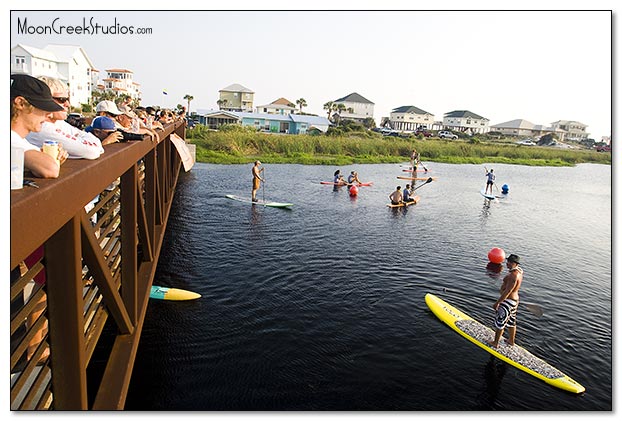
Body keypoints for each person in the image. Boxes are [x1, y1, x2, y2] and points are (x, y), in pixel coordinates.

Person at [26, 76, 105, 160]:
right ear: (44, 101)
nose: (68, 104)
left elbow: (94, 146)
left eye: (68, 99)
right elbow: (91, 151)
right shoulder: (42, 129)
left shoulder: (58, 123)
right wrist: (86, 140)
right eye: (62, 100)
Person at [11, 74, 68, 179]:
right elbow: (50, 169)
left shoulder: (19, 140)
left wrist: (51, 157)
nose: (49, 114)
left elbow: (40, 169)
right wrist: (50, 161)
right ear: (20, 103)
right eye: (43, 107)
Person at [487, 254, 523, 348]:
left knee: (500, 322)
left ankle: (495, 343)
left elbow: (508, 291)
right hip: (514, 301)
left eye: (510, 262)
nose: (508, 263)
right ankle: (511, 341)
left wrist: (497, 302)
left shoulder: (513, 275)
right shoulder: (519, 272)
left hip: (508, 301)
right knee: (511, 322)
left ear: (515, 264)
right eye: (508, 261)